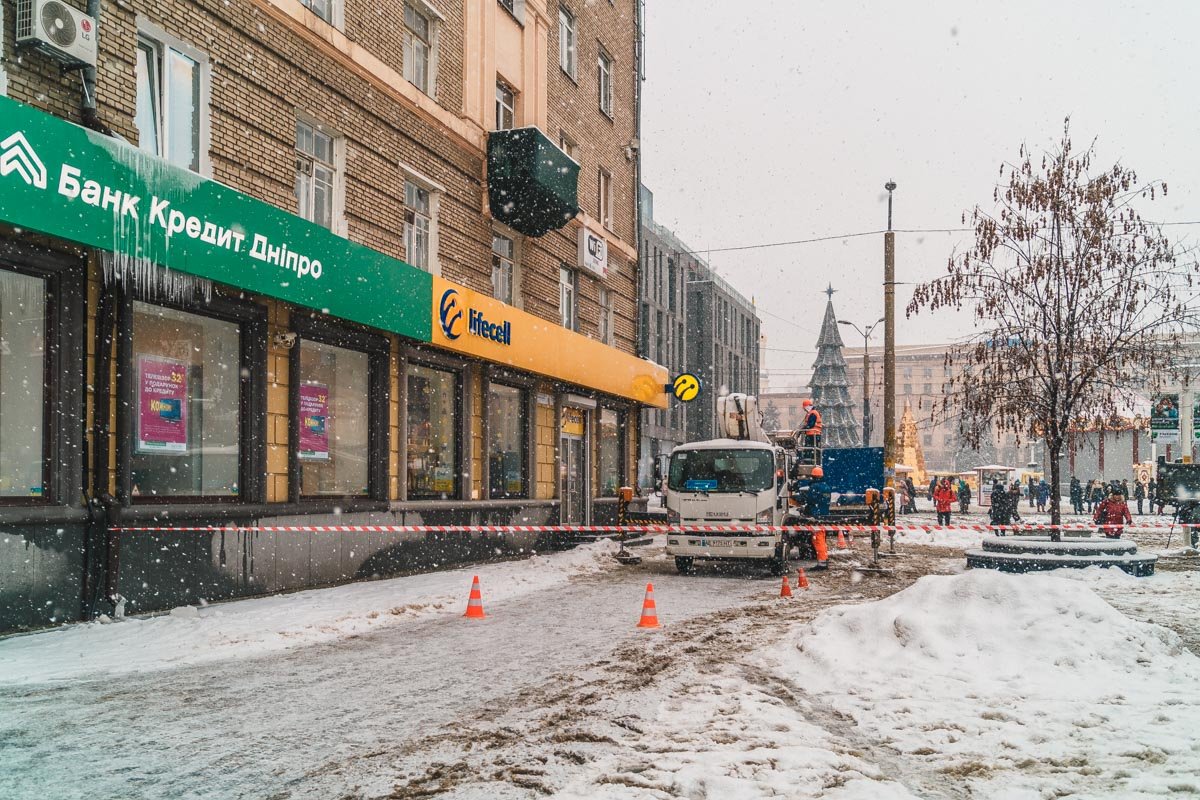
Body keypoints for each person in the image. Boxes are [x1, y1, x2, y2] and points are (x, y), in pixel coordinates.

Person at [807, 467, 831, 570]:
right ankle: (824, 559)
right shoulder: (826, 486)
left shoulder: (814, 487)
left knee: (818, 539)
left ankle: (822, 563)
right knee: (822, 537)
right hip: (824, 514)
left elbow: (810, 500)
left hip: (816, 515)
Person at [796, 399, 822, 465]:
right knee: (809, 449)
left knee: (809, 449)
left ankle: (808, 461)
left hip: (813, 434)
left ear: (807, 407)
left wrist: (803, 429)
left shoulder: (813, 413)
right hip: (812, 434)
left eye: (804, 408)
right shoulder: (811, 413)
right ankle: (808, 460)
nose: (804, 410)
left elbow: (810, 424)